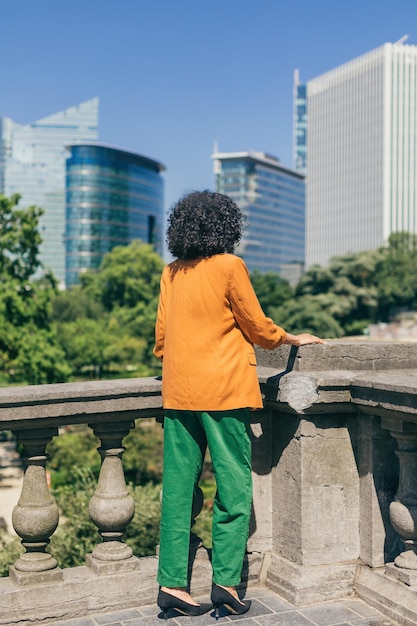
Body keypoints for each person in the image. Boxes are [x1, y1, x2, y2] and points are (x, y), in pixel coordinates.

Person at [153, 190, 324, 619]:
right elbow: (258, 327)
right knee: (232, 488)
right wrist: (290, 338)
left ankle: (171, 584)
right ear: (226, 227)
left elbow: (160, 340)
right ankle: (225, 583)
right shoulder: (230, 266)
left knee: (177, 490)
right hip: (224, 391)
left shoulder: (171, 273)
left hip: (178, 393)